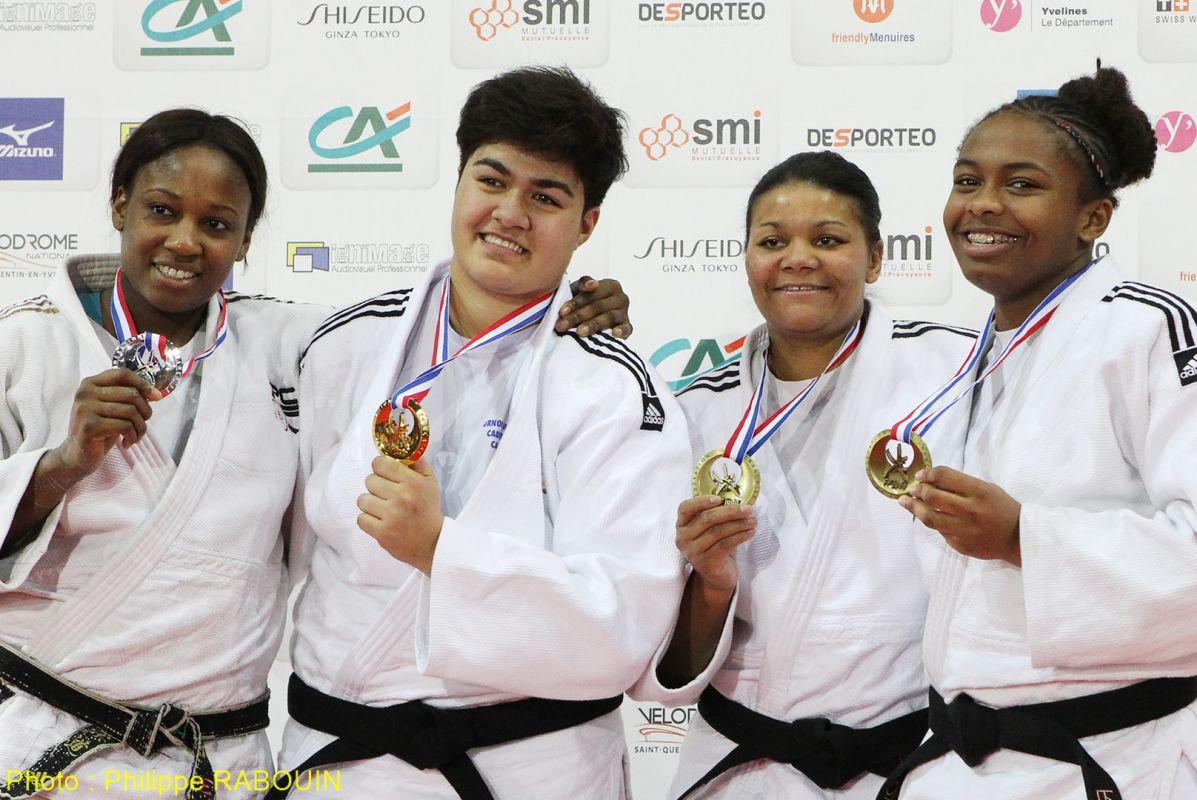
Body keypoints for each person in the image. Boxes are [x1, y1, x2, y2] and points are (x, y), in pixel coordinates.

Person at [0, 108, 631, 800]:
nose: (184, 241)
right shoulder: (24, 345)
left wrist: (575, 305)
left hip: (217, 754)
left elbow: (435, 327)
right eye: (161, 210)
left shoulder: (293, 344)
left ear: (245, 240)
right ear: (120, 204)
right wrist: (61, 465)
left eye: (217, 224)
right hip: (45, 737)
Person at [273, 66, 691, 800]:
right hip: (341, 763)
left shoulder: (616, 388)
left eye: (546, 197)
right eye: (491, 181)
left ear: (587, 224)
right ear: (460, 179)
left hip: (531, 771)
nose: (509, 213)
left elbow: (624, 623)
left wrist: (440, 551)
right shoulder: (343, 344)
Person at [881, 65, 1197, 800]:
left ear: (1093, 218)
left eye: (1021, 184)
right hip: (960, 759)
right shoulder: (979, 348)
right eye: (966, 180)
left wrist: (1023, 536)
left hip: (1115, 759)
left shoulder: (1151, 328)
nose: (982, 204)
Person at [629, 151, 977, 799]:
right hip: (746, 762)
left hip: (910, 760)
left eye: (827, 240)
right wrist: (712, 583)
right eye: (772, 241)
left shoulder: (954, 372)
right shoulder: (695, 412)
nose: (797, 258)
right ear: (745, 259)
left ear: (876, 258)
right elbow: (669, 666)